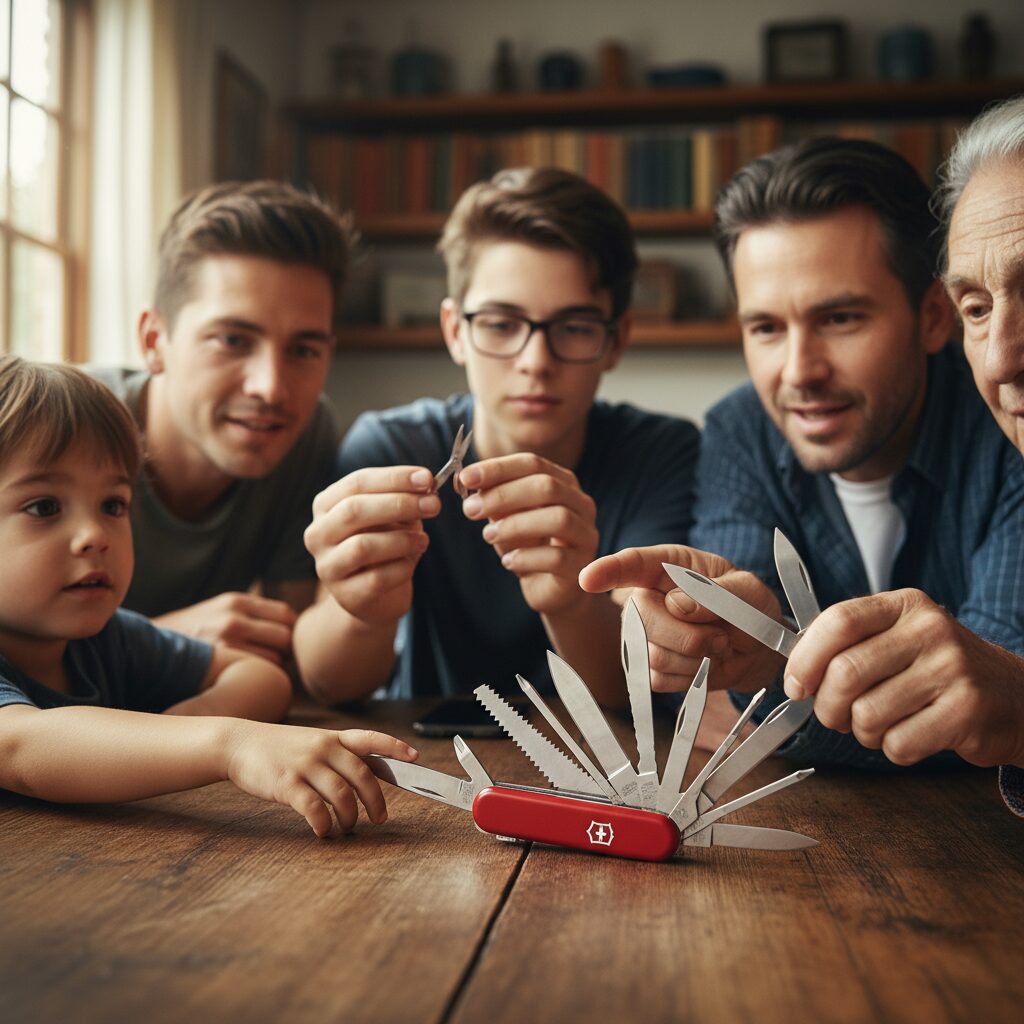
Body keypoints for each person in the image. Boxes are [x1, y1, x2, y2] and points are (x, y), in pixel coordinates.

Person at [580, 137, 1024, 769]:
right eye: (765, 328)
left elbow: (996, 714)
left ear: (933, 316)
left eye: (840, 319)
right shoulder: (740, 429)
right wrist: (734, 646)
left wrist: (777, 698)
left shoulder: (1009, 413)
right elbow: (724, 694)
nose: (798, 373)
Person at [295, 167, 700, 704]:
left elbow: (644, 690)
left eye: (574, 327)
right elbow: (328, 683)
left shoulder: (662, 455)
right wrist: (363, 614)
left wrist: (571, 603)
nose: (535, 362)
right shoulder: (389, 451)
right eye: (501, 324)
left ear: (616, 338)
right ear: (454, 332)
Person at [0, 355, 415, 836]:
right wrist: (227, 745)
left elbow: (261, 676)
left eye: (113, 504)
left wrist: (173, 730)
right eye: (44, 507)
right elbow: (20, 746)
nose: (95, 534)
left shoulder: (108, 641)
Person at [88, 180, 349, 664]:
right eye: (232, 340)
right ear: (153, 341)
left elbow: (285, 652)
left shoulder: (307, 435)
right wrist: (159, 642)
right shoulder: (55, 427)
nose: (271, 388)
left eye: (303, 350)